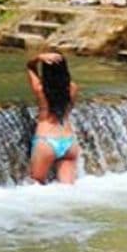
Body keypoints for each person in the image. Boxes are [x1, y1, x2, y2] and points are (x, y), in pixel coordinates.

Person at [26, 51, 80, 184]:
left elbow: (29, 67)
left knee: (36, 185)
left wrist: (38, 57)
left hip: (46, 142)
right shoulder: (73, 88)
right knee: (67, 190)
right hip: (69, 142)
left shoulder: (40, 89)